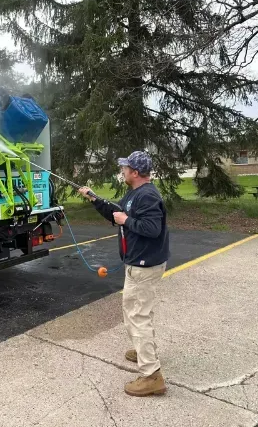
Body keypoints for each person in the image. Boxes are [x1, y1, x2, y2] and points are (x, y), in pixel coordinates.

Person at [78, 151, 170, 397]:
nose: (122, 171)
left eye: (125, 168)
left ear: (135, 172)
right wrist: (94, 199)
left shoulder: (148, 195)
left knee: (137, 315)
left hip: (144, 265)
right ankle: (144, 352)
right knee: (136, 312)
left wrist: (126, 220)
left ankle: (151, 375)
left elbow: (151, 228)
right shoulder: (134, 193)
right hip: (137, 263)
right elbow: (117, 212)